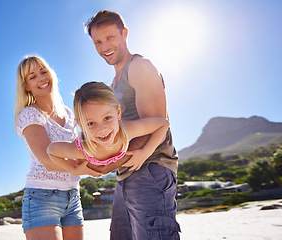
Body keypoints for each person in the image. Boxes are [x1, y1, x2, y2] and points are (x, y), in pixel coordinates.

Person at [85, 10, 181, 239]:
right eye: (98, 42)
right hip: (126, 174)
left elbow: (159, 124)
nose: (104, 46)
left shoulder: (139, 67)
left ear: (124, 33)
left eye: (110, 37)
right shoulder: (113, 83)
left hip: (151, 168)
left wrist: (116, 161)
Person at [15, 54, 101, 240]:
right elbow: (47, 159)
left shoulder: (69, 114)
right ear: (26, 86)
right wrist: (81, 169)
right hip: (42, 197)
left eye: (43, 71)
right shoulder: (30, 114)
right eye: (33, 77)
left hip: (73, 195)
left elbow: (78, 149)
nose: (41, 78)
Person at [47, 81, 170, 175]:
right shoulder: (81, 149)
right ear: (81, 125)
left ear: (118, 113)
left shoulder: (126, 131)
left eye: (107, 118)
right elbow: (51, 151)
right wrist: (74, 170)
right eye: (91, 123)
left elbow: (163, 124)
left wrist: (145, 153)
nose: (102, 129)